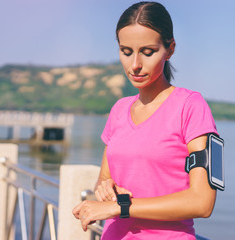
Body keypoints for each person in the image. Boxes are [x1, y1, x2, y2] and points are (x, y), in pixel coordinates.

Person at [72, 1, 219, 239]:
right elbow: (105, 178)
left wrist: (121, 207)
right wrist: (105, 190)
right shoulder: (119, 110)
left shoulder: (191, 106)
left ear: (170, 49)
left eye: (148, 52)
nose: (135, 65)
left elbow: (203, 202)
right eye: (126, 52)